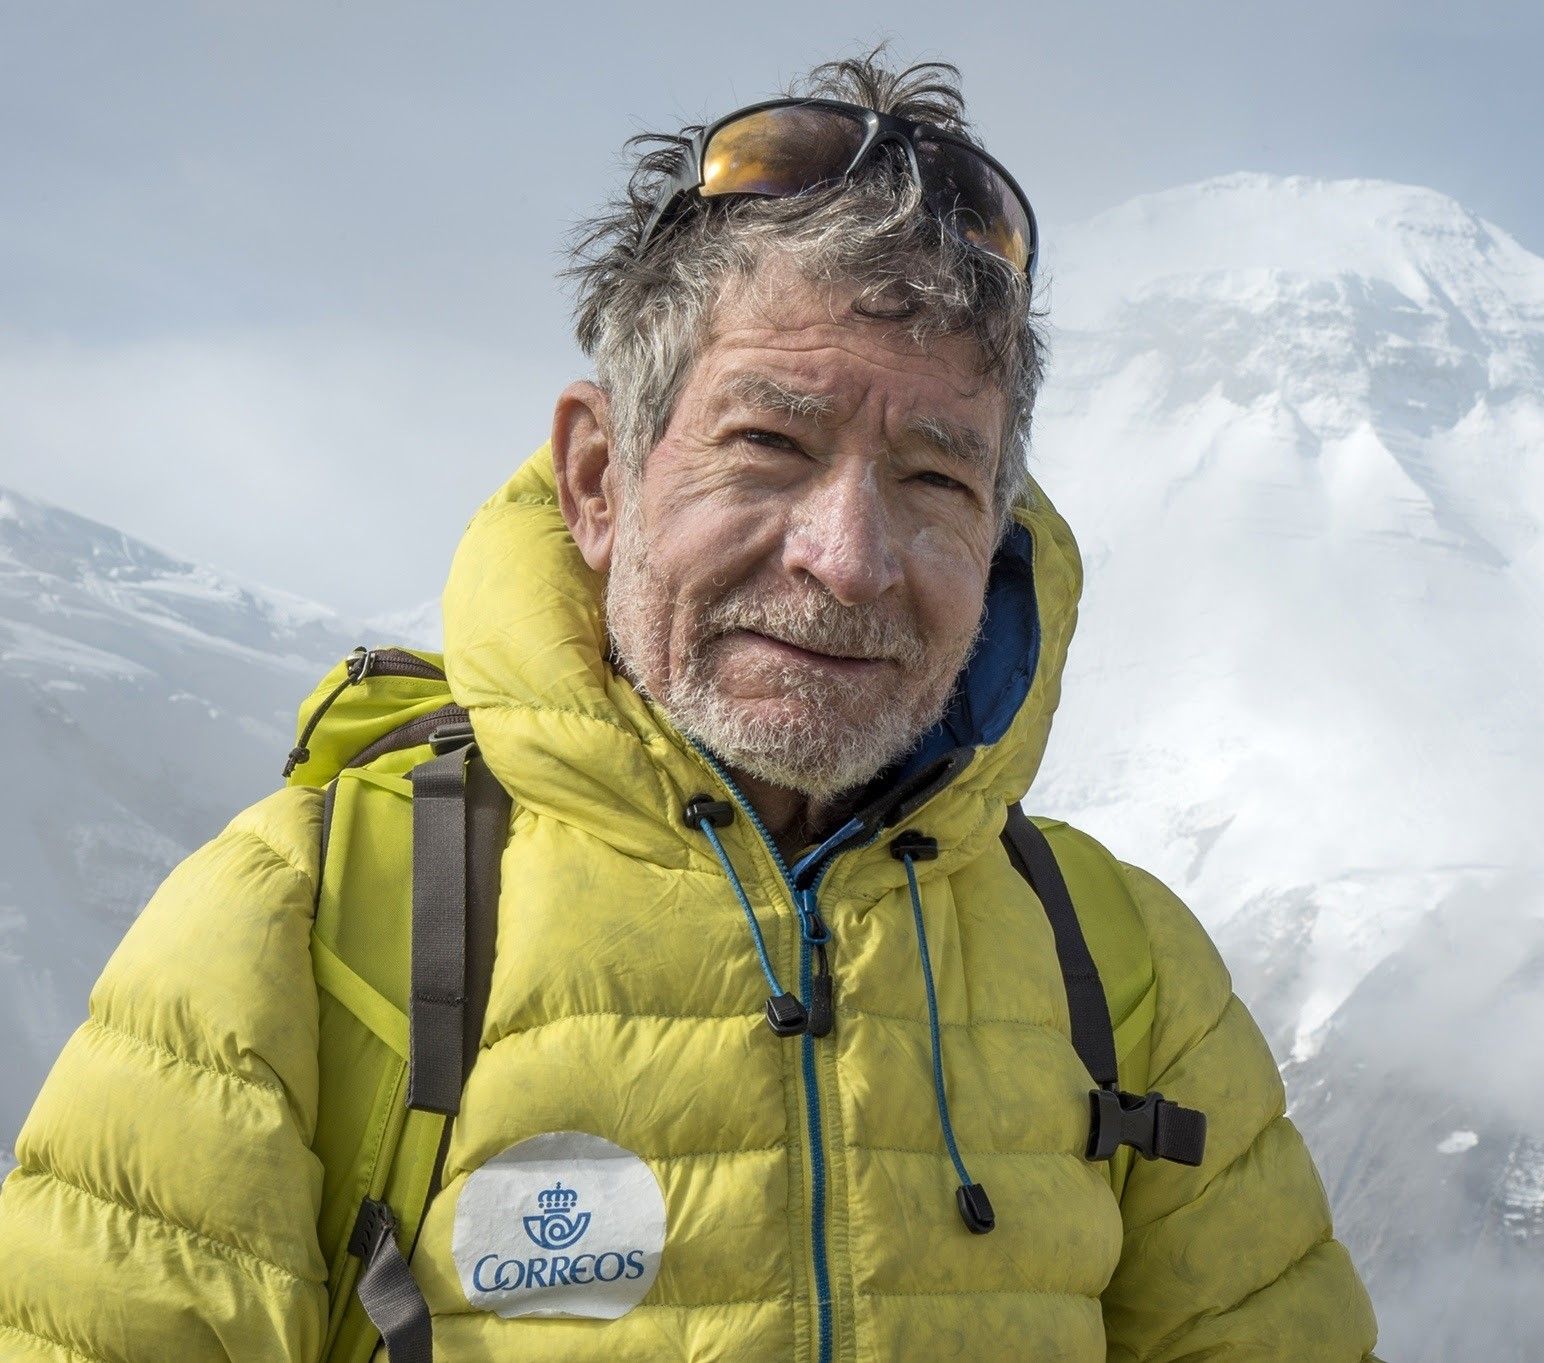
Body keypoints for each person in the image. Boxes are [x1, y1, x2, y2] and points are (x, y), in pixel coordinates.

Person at [0, 48, 1379, 1361]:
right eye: (770, 444)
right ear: (602, 481)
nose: (848, 557)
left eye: (937, 482)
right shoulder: (291, 935)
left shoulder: (1124, 974)